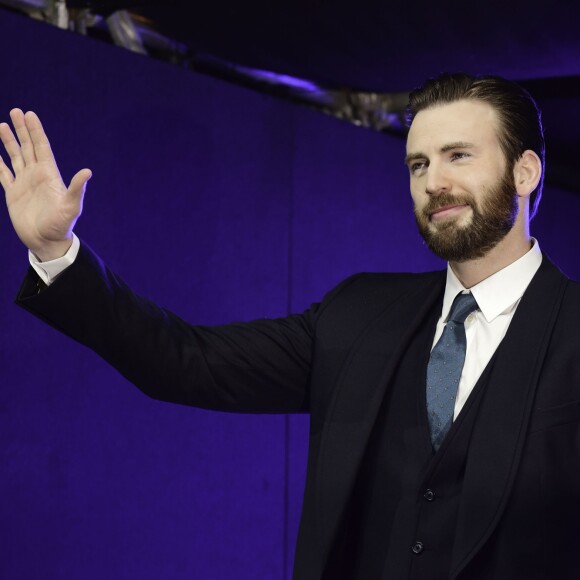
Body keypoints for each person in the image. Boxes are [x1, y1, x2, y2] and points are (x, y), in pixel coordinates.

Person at [1, 73, 579, 579]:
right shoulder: (359, 314)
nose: (433, 183)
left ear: (524, 171)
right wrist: (59, 252)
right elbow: (187, 362)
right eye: (418, 164)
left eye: (458, 156)